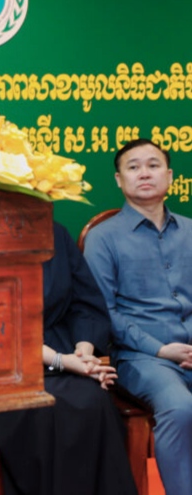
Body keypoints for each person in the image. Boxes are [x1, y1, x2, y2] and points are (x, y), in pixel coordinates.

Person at [0, 221, 138, 495]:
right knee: (44, 411)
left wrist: (84, 353)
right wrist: (61, 360)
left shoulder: (54, 232)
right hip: (3, 362)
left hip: (62, 349)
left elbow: (85, 302)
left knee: (93, 402)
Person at [83, 138, 192, 495]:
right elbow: (103, 312)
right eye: (133, 167)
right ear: (119, 180)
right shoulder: (103, 238)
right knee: (180, 407)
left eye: (153, 165)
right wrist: (161, 350)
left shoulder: (191, 231)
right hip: (141, 357)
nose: (144, 173)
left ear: (170, 176)